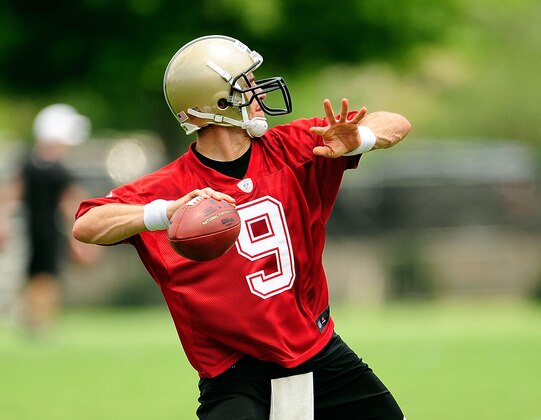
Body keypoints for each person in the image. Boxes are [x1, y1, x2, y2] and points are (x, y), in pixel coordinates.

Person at [73, 35, 411, 419]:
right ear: (218, 103)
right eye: (246, 85)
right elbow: (87, 224)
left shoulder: (299, 146)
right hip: (234, 371)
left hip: (317, 350)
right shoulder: (168, 189)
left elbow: (396, 123)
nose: (258, 92)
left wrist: (360, 138)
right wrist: (164, 213)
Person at [0, 103, 97, 338]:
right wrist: (82, 239)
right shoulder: (58, 171)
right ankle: (40, 322)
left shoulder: (28, 164)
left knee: (36, 275)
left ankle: (33, 320)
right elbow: (71, 204)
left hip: (31, 230)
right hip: (47, 231)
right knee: (46, 276)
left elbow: (10, 194)